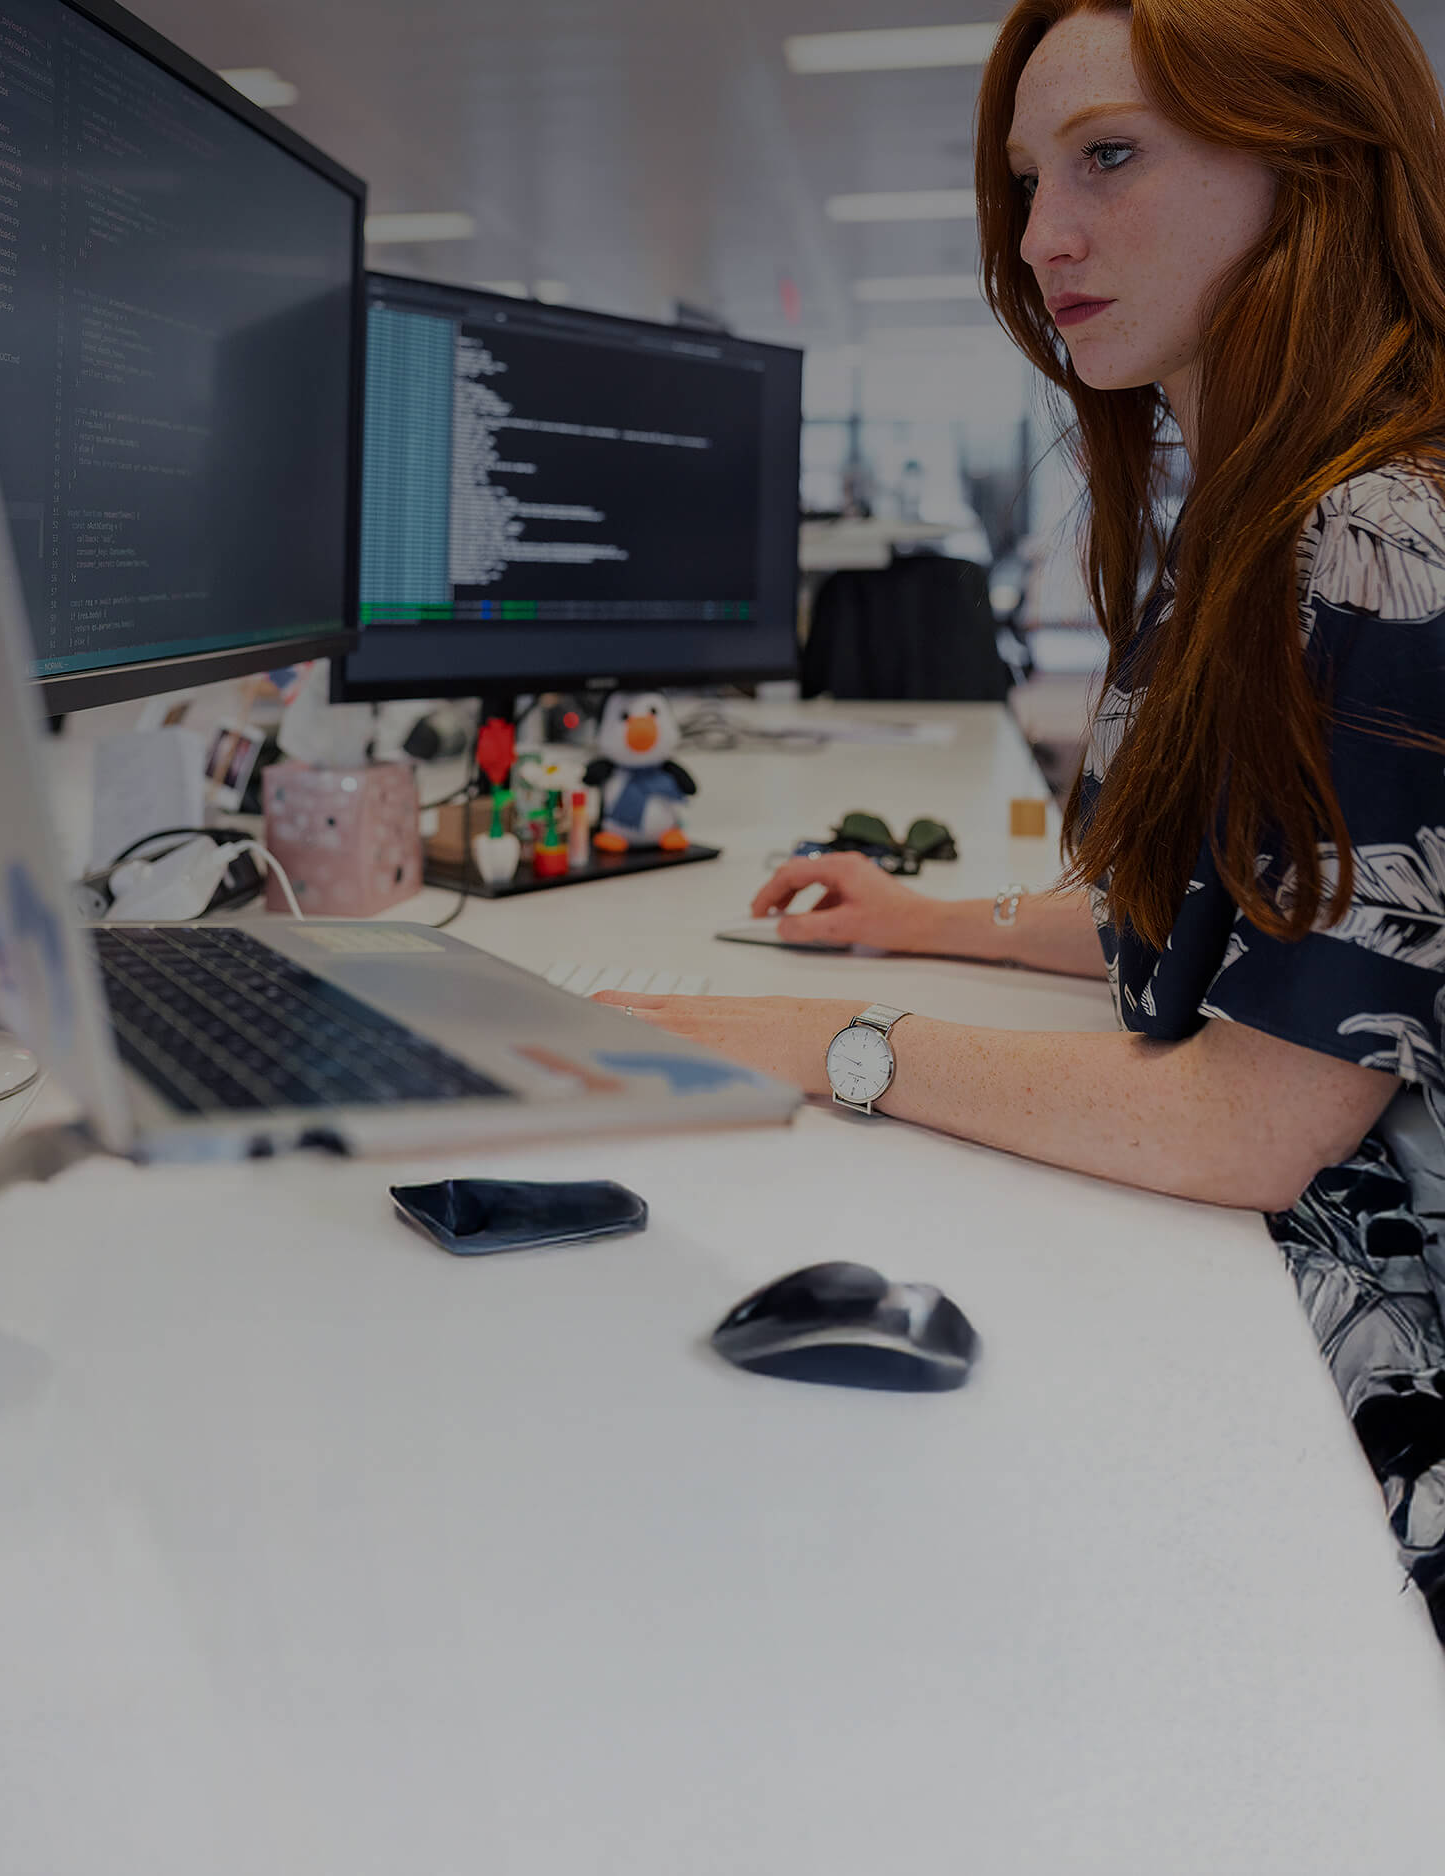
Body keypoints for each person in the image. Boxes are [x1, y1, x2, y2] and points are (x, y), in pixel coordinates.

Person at [603, 0, 1445, 1636]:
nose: (1045, 236)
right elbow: (1267, 913)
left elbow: (1254, 1119)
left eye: (1110, 158)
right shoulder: (1244, 517)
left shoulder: (1380, 540)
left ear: (1312, 166)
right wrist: (925, 923)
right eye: (1027, 178)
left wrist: (822, 1041)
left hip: (1384, 1362)